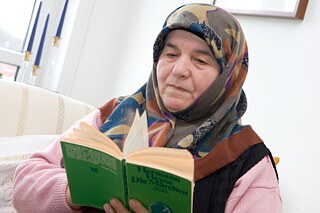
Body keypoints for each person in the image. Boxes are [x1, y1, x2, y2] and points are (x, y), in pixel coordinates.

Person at [12, 3, 282, 213]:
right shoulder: (114, 114)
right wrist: (72, 192)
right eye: (171, 54)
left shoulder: (247, 160)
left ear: (228, 77)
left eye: (200, 61)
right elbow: (24, 183)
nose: (178, 70)